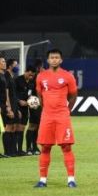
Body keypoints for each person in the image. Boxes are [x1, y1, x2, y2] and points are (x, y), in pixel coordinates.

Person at [34, 49, 78, 188]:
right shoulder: (41, 76)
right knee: (45, 147)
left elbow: (73, 95)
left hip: (62, 116)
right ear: (48, 60)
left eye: (57, 57)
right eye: (52, 57)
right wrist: (46, 108)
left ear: (61, 60)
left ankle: (71, 179)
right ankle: (42, 180)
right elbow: (39, 94)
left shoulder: (67, 76)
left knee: (66, 147)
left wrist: (67, 110)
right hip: (47, 116)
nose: (54, 60)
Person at [15, 65, 37, 155]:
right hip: (16, 107)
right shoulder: (17, 80)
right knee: (16, 128)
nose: (31, 76)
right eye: (30, 74)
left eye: (33, 75)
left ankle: (20, 150)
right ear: (25, 71)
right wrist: (18, 101)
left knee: (22, 128)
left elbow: (32, 94)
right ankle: (14, 149)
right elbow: (12, 93)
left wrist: (31, 101)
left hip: (25, 108)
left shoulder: (32, 82)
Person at [0, 57, 16, 157]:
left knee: (2, 129)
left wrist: (7, 106)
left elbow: (5, 92)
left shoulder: (3, 76)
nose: (4, 63)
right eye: (2, 61)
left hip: (3, 105)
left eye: (5, 61)